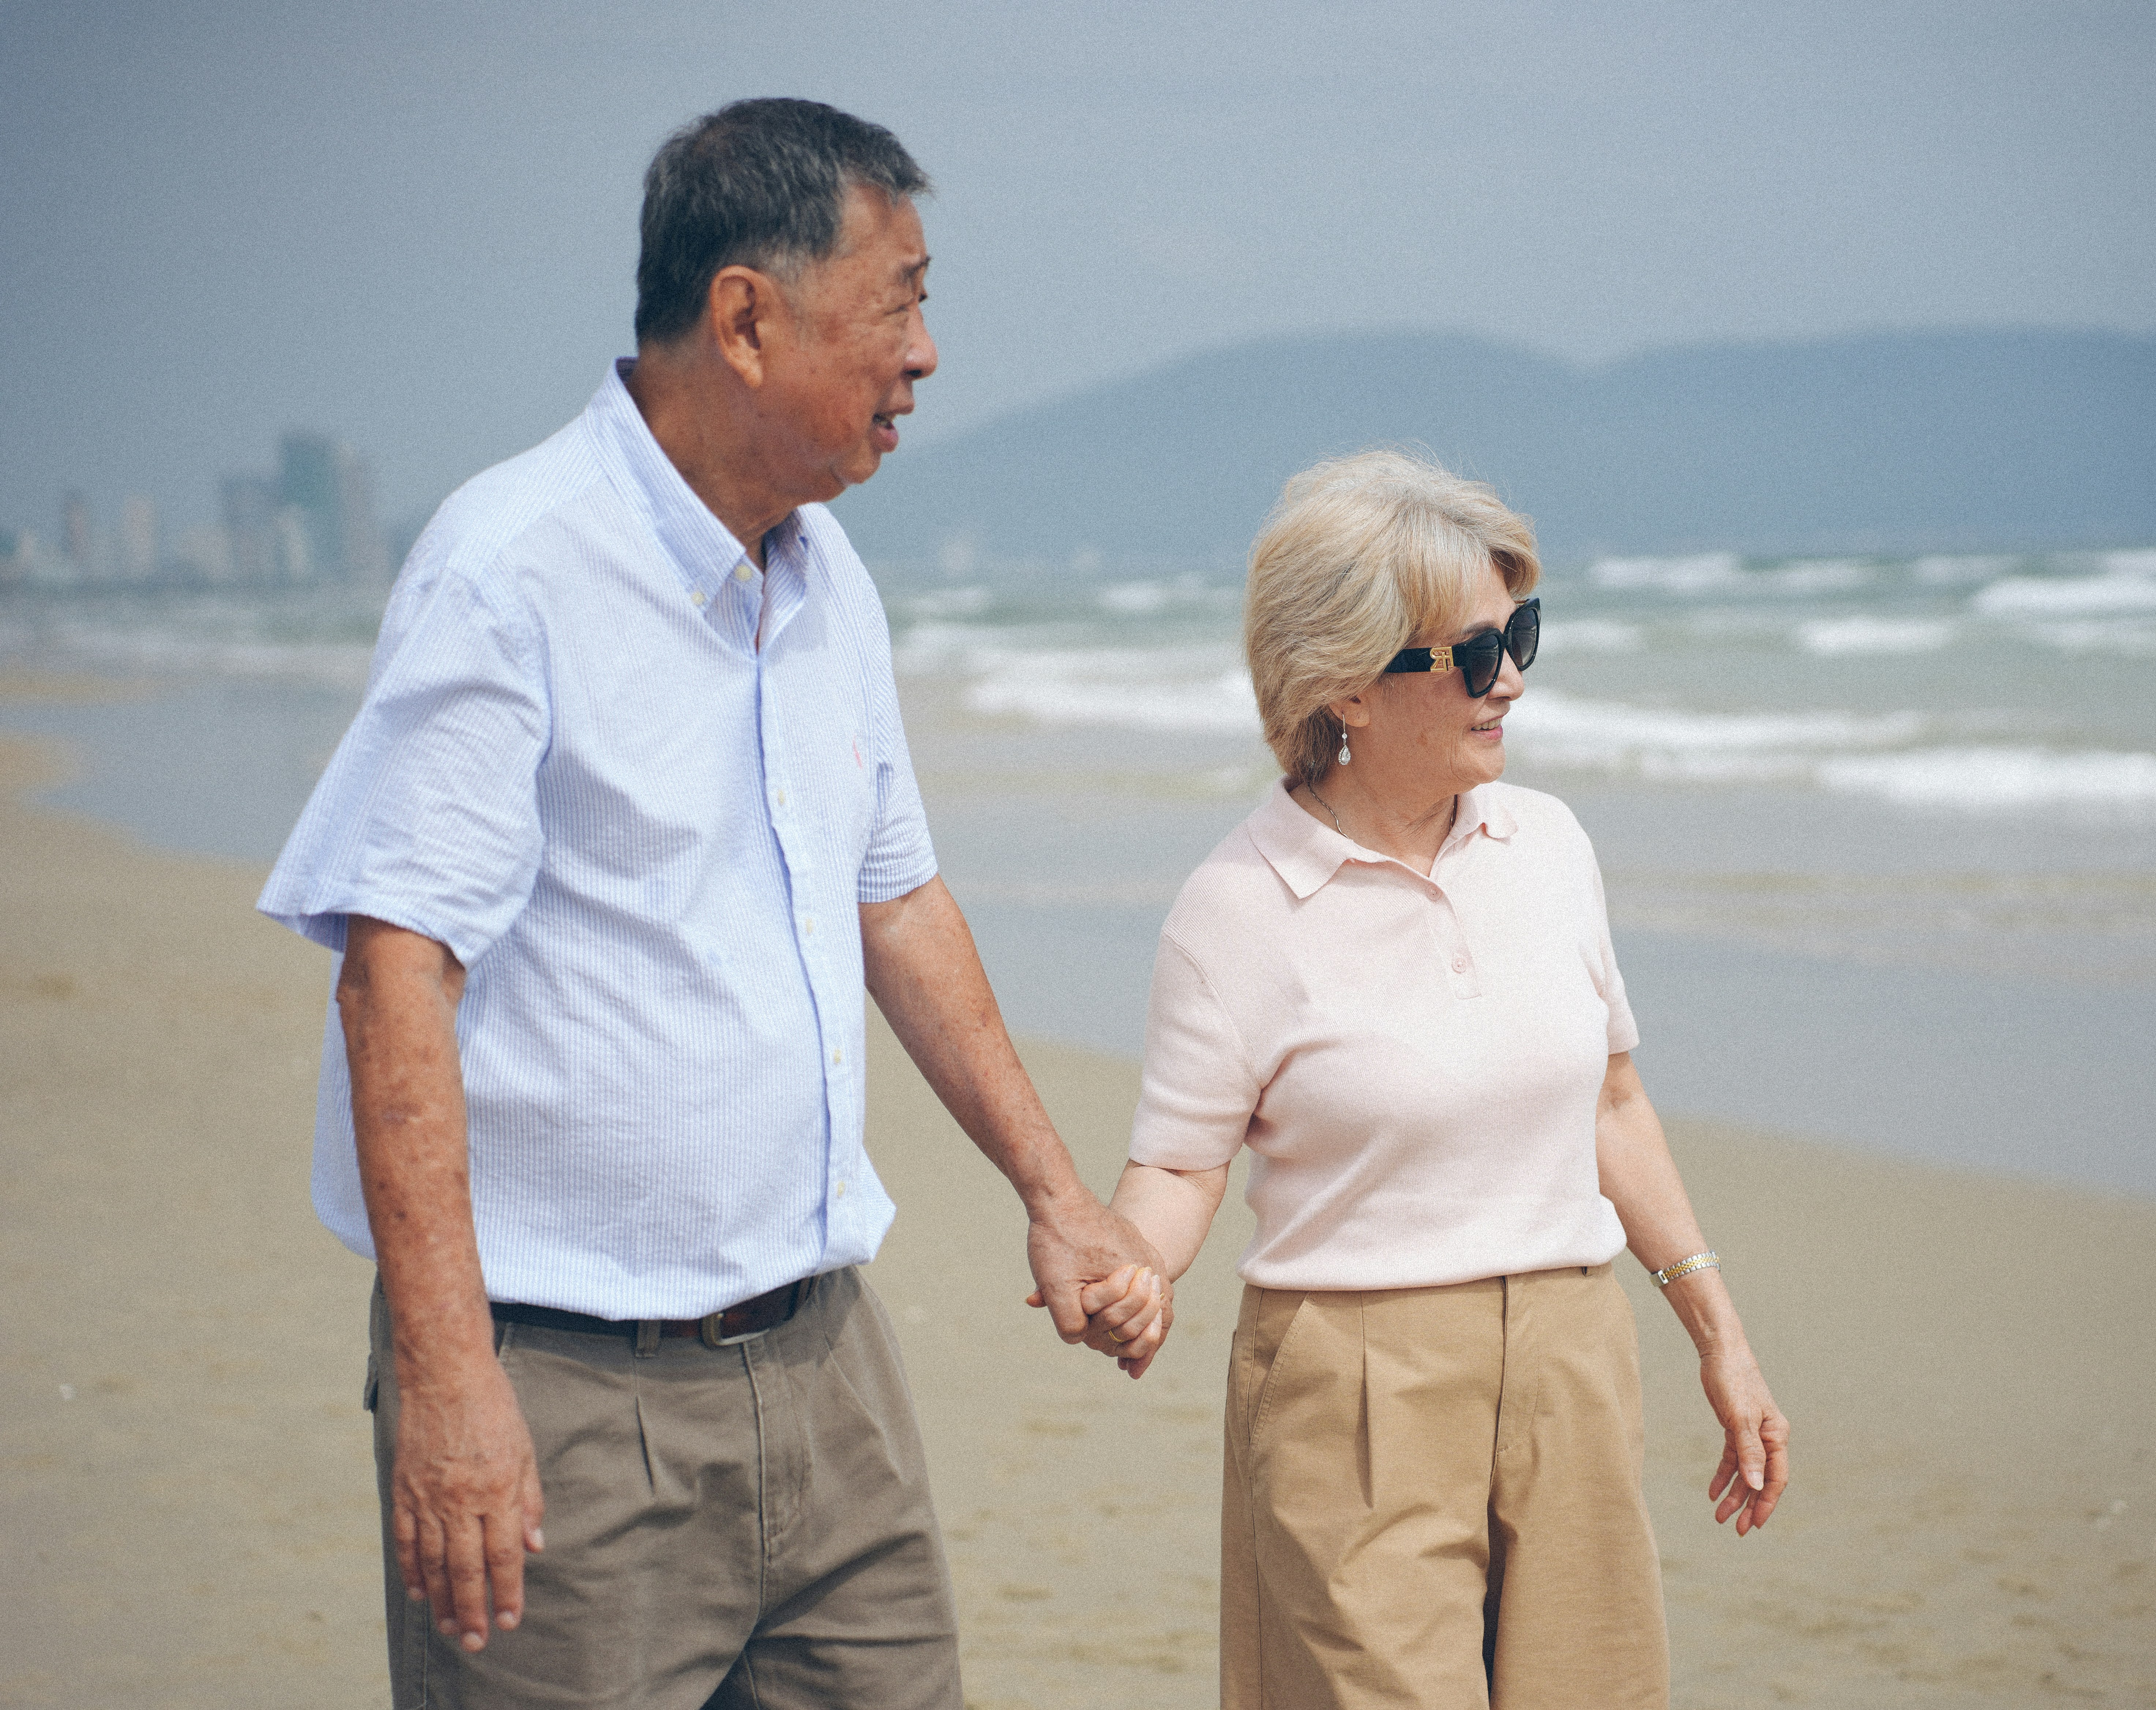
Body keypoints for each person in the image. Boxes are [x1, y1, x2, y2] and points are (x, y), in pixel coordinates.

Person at [256, 98, 1169, 1708]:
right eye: (900, 297)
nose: (930, 352)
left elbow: (898, 903)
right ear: (745, 316)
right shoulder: (511, 571)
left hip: (828, 1375)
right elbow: (396, 975)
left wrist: (1059, 1193)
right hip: (565, 1404)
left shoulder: (828, 579)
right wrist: (452, 1387)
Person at [1073, 451, 1789, 1708]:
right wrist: (1133, 1267)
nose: (1508, 679)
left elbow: (1614, 1105)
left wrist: (1718, 1336)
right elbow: (1184, 1163)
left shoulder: (1551, 846)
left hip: (1574, 1359)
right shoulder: (1232, 911)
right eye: (1469, 654)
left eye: (1519, 634)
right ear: (1344, 685)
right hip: (1353, 1390)